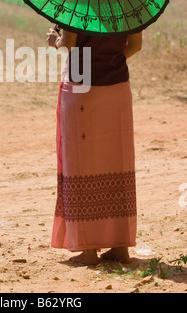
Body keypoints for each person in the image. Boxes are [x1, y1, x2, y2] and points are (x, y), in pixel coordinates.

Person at [46, 27, 142, 265]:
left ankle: (87, 249)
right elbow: (135, 46)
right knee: (116, 160)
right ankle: (120, 246)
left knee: (80, 162)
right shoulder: (130, 1)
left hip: (81, 83)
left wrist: (55, 40)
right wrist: (110, 60)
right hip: (117, 85)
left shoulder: (78, 0)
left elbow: (69, 44)